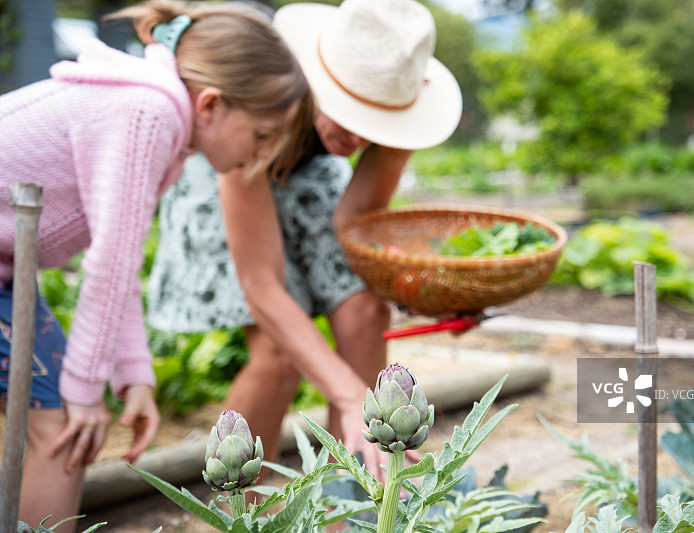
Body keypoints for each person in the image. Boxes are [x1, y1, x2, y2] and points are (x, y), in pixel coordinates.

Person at [0, 0, 314, 528]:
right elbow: (110, 264)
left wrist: (133, 375)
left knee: (59, 421)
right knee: (62, 421)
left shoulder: (161, 117)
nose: (260, 156)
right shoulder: (149, 113)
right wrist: (85, 390)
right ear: (212, 104)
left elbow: (116, 258)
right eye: (262, 136)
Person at [147, 0, 462, 480]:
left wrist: (420, 290)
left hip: (309, 174)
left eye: (373, 125)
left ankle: (353, 507)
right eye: (348, 112)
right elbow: (262, 284)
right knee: (278, 355)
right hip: (231, 168)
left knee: (365, 310)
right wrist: (346, 392)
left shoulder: (397, 99)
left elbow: (351, 226)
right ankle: (240, 518)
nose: (358, 135)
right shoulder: (258, 99)